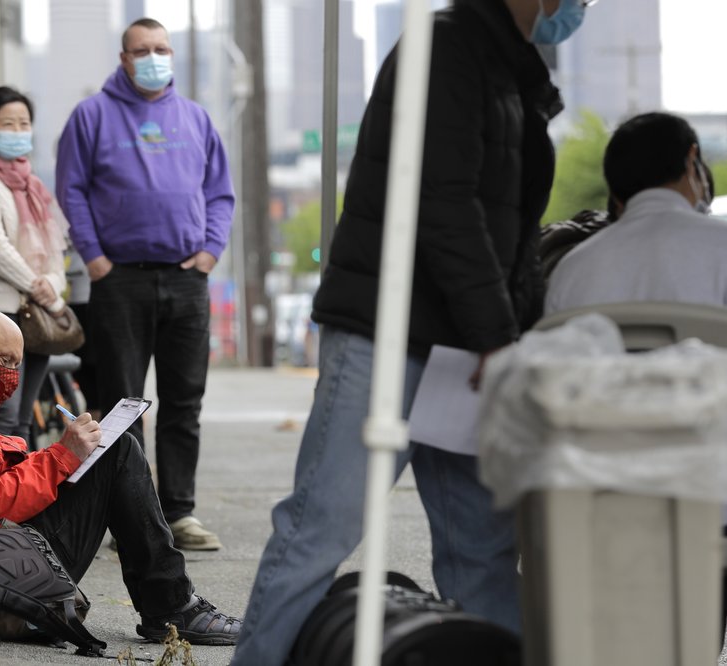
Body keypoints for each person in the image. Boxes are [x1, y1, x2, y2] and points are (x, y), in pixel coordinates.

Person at [231, 1, 591, 663]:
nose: (580, 9)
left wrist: (507, 331)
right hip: (389, 333)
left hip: (460, 350)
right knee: (323, 526)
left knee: (481, 548)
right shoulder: (447, 48)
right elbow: (444, 203)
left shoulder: (512, 68)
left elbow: (505, 228)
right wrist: (498, 337)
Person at [545, 111, 727, 666]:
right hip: (716, 497)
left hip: (603, 499)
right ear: (693, 161)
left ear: (616, 188)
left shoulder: (574, 269)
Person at [0, 305, 242, 645]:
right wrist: (62, 456)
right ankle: (173, 606)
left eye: (17, 364)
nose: (12, 374)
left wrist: (58, 458)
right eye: (5, 360)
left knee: (111, 453)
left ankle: (169, 604)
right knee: (118, 454)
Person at [55, 17, 233, 552]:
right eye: (142, 50)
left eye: (162, 48)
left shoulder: (196, 119)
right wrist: (96, 259)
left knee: (184, 402)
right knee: (121, 404)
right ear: (124, 58)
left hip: (185, 280)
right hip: (120, 281)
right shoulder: (91, 117)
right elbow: (72, 190)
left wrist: (208, 253)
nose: (153, 57)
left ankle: (179, 514)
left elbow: (220, 194)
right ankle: (132, 516)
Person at [0, 86, 69, 448]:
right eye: (8, 123)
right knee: (2, 412)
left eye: (24, 123)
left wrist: (53, 283)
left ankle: (19, 499)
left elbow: (55, 248)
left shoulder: (33, 186)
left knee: (22, 419)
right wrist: (42, 287)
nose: (18, 131)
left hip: (36, 317)